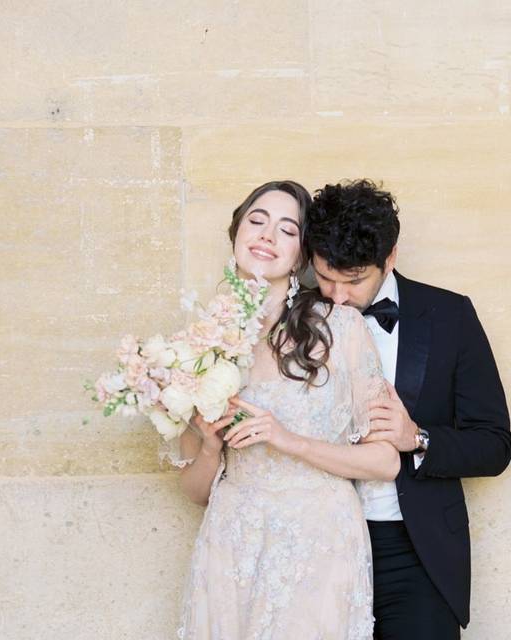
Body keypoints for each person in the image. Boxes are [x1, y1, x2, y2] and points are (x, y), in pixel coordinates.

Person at [168, 180, 399, 639]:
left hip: (318, 541)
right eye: (256, 221)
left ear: (302, 255)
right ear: (236, 234)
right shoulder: (201, 342)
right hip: (232, 543)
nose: (267, 236)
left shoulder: (341, 328)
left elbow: (385, 460)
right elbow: (196, 490)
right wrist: (211, 446)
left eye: (287, 229)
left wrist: (286, 439)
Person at [306, 179, 511, 639]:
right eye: (325, 277)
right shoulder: (293, 320)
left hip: (414, 553)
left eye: (354, 280)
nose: (337, 297)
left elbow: (495, 445)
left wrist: (416, 438)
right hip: (314, 544)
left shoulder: (450, 315)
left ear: (391, 256)